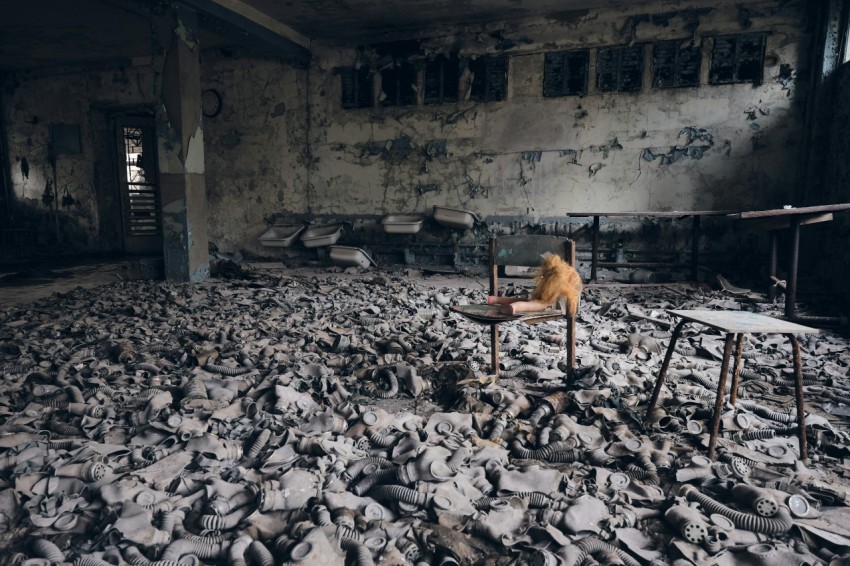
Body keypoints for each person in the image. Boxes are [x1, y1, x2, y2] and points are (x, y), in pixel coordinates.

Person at [487, 253, 582, 316]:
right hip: (553, 289)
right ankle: (513, 307)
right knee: (537, 304)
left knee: (529, 301)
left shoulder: (556, 266)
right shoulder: (569, 277)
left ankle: (496, 299)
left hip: (550, 282)